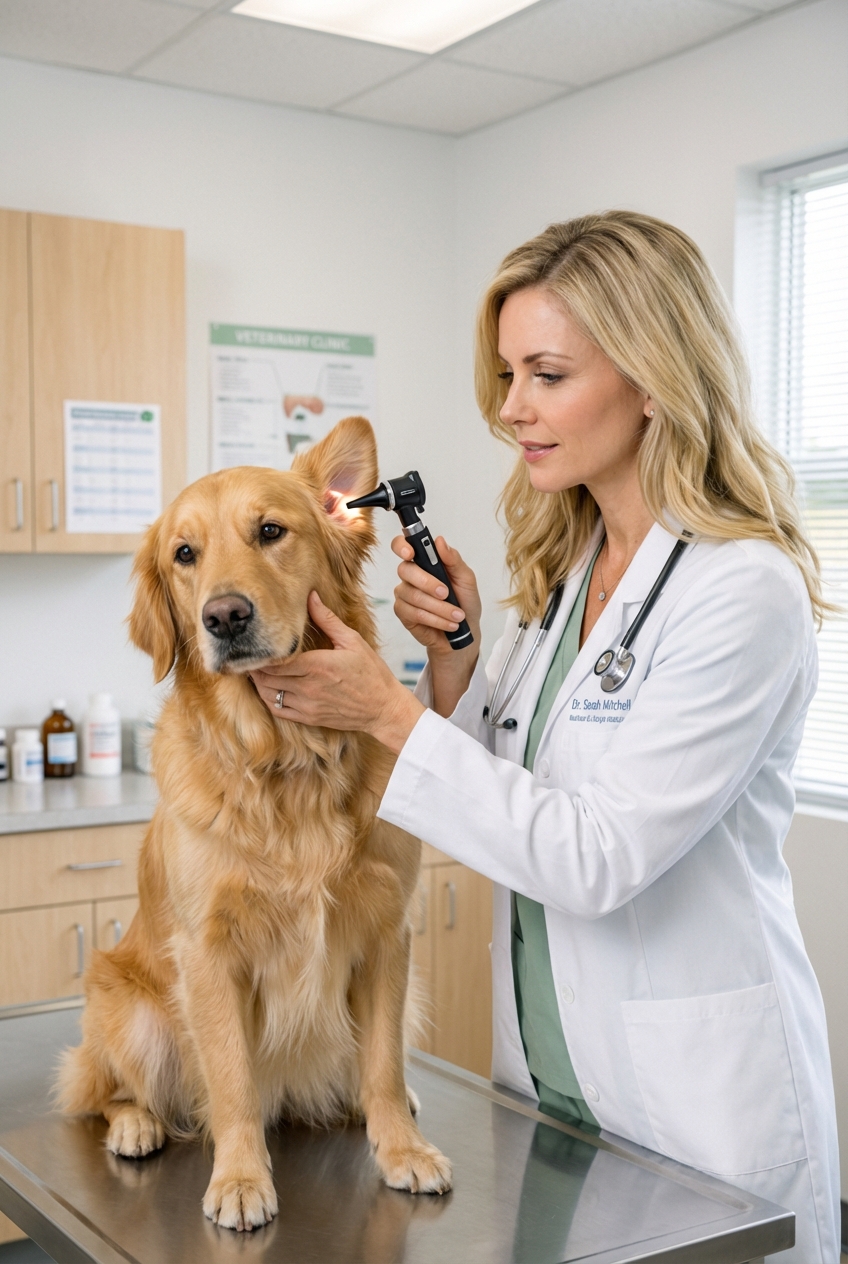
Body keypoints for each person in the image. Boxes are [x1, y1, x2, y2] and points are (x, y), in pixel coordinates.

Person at [251, 211, 839, 1263]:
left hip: (694, 1102)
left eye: (545, 374)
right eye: (507, 373)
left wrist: (381, 710)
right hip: (556, 1083)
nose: (511, 407)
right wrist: (455, 664)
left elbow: (592, 854)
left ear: (653, 377)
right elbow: (507, 778)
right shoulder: (570, 576)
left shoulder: (739, 590)